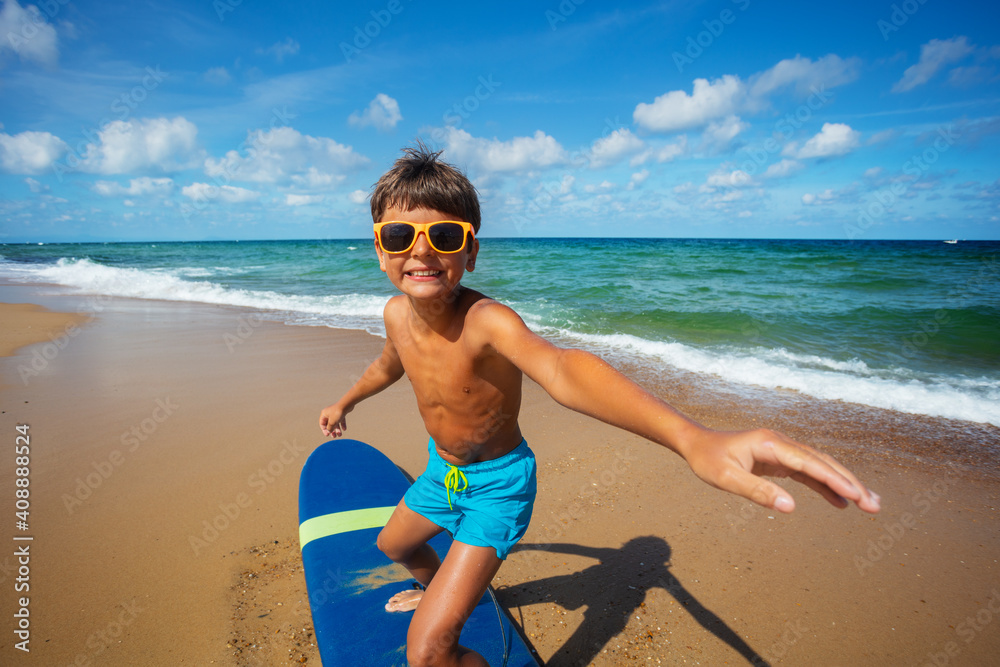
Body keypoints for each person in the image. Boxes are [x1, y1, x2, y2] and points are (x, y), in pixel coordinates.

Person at [319, 143, 881, 667]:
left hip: (496, 486)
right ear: (378, 247)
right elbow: (390, 365)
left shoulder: (487, 322)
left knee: (429, 650)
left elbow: (563, 369)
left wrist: (691, 437)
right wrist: (345, 399)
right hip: (443, 473)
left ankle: (449, 614)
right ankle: (435, 586)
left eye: (444, 235)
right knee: (393, 544)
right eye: (398, 235)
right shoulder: (395, 314)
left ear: (470, 250)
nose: (420, 250)